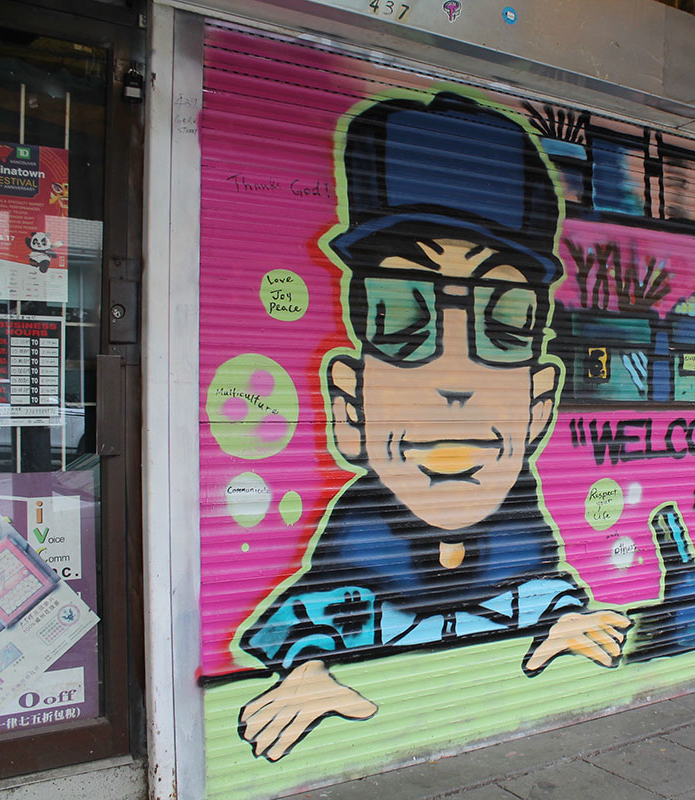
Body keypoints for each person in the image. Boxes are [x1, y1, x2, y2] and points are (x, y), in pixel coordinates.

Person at [235, 91, 631, 762]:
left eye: (504, 326)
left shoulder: (524, 540)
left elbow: (550, 595)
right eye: (399, 316)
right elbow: (304, 619)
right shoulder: (353, 552)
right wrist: (304, 673)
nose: (455, 380)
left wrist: (570, 625)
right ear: (349, 407)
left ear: (540, 406)